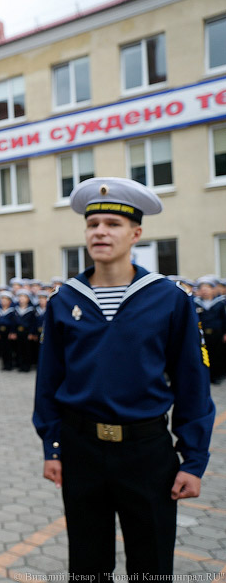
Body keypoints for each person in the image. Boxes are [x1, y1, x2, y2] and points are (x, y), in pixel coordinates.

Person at [33, 177, 215, 579]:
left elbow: (192, 383)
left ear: (136, 233)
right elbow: (48, 382)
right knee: (87, 564)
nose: (100, 231)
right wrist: (53, 446)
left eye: (113, 224)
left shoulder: (169, 299)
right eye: (93, 223)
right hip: (81, 450)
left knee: (150, 565)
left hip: (147, 450)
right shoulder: (66, 300)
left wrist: (194, 460)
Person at [194, 275, 225, 384]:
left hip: (217, 334)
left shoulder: (221, 302)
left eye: (207, 288)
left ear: (213, 290)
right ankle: (205, 376)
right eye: (202, 289)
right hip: (202, 334)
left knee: (217, 355)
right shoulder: (196, 302)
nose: (204, 291)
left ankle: (216, 376)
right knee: (203, 356)